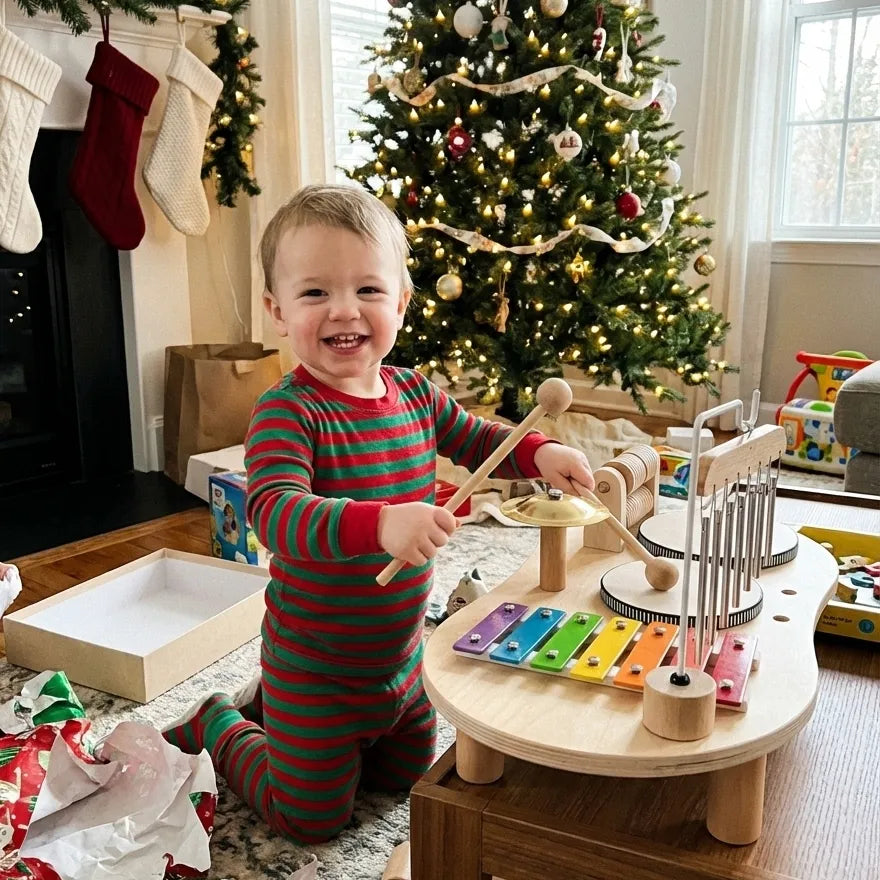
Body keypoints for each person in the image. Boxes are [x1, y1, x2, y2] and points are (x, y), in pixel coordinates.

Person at [163, 183, 594, 843]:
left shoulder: (415, 392)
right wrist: (381, 522)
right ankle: (221, 721)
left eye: (368, 289)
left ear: (401, 302)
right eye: (315, 292)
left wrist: (538, 452)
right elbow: (274, 513)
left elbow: (477, 440)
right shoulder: (287, 410)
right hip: (315, 670)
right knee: (311, 819)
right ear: (278, 311)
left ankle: (294, 726)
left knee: (406, 779)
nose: (345, 309)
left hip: (400, 662)